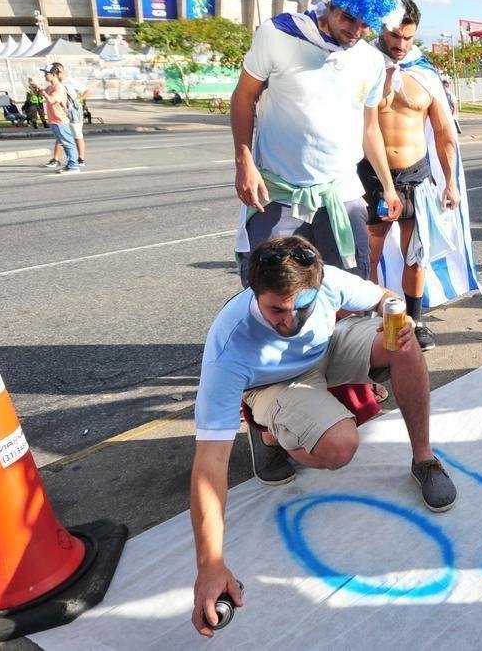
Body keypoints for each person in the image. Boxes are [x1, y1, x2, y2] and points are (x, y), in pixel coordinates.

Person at [189, 236, 456, 636]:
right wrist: (210, 564)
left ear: (318, 284)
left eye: (302, 306)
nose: (290, 321)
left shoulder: (327, 280)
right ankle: (269, 436)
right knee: (340, 447)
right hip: (273, 383)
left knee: (404, 344)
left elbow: (383, 296)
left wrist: (394, 317)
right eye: (276, 310)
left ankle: (424, 459)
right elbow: (209, 463)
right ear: (253, 293)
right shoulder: (230, 346)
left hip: (324, 352)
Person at [231, 0, 402, 288]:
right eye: (348, 17)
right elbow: (243, 97)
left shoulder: (369, 61)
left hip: (341, 195)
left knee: (348, 293)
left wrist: (387, 185)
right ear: (330, 3)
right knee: (269, 294)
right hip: (278, 192)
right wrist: (244, 162)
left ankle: (335, 344)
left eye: (366, 23)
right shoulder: (278, 35)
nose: (356, 30)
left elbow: (369, 129)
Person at [359, 0, 463, 351]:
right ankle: (369, 321)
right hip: (370, 177)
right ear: (380, 28)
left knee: (416, 253)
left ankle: (415, 320)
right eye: (394, 36)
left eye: (407, 37)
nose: (401, 45)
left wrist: (450, 182)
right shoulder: (362, 65)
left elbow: (444, 133)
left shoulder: (425, 73)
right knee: (366, 254)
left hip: (416, 176)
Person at [39, 64, 80, 174]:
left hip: (60, 120)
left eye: (46, 74)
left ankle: (74, 167)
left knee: (68, 143)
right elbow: (42, 95)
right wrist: (36, 88)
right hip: (54, 120)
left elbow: (52, 100)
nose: (44, 76)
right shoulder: (50, 87)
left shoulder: (59, 88)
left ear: (53, 75)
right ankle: (70, 165)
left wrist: (42, 91)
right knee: (64, 143)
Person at [47, 63, 88, 167]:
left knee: (77, 135)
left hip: (73, 112)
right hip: (62, 114)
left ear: (61, 71)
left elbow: (87, 91)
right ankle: (56, 159)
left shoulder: (69, 81)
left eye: (58, 71)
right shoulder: (53, 84)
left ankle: (80, 159)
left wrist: (77, 101)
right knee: (62, 136)